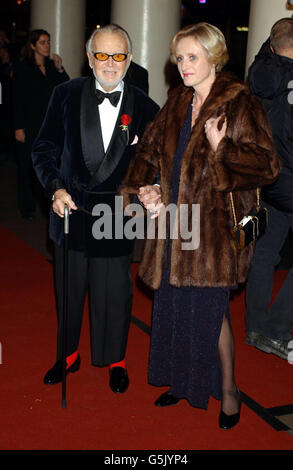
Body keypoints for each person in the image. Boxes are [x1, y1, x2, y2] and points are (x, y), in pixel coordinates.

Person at [120, 22, 280, 429]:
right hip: (175, 226)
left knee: (212, 313)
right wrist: (145, 189)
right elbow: (149, 155)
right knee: (174, 308)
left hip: (216, 233)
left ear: (214, 56)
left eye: (193, 57)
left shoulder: (240, 102)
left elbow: (267, 165)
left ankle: (229, 390)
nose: (184, 65)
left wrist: (220, 148)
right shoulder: (176, 102)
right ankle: (181, 381)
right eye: (179, 58)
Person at [32, 24, 159, 393]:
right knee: (69, 292)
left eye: (118, 55)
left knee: (114, 294)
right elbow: (43, 150)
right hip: (70, 210)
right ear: (89, 58)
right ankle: (68, 354)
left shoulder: (145, 106)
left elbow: (154, 162)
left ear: (129, 59)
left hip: (117, 216)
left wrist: (150, 186)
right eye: (101, 55)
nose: (109, 63)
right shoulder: (65, 94)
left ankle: (115, 360)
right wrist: (54, 189)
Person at [245, 18, 293, 360]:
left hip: (267, 181)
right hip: (291, 183)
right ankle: (276, 329)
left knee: (262, 254)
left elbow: (273, 47)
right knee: (265, 254)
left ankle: (255, 326)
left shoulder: (259, 73)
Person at [12, 29, 69, 219]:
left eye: (48, 42)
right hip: (30, 125)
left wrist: (61, 69)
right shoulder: (23, 68)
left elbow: (66, 89)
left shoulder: (54, 66)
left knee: (52, 166)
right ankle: (26, 207)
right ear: (33, 45)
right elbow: (16, 100)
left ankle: (51, 204)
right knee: (28, 167)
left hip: (51, 125)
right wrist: (18, 127)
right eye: (43, 42)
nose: (47, 46)